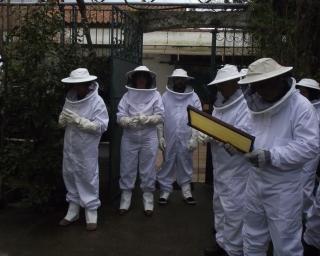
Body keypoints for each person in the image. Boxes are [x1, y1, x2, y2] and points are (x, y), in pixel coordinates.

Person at [238, 58, 320, 256]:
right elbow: (248, 132)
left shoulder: (300, 106)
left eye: (263, 85)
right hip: (255, 181)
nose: (259, 91)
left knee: (285, 245)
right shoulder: (257, 105)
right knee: (252, 237)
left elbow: (309, 146)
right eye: (256, 86)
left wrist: (271, 156)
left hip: (284, 187)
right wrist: (236, 144)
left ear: (278, 80)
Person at [202, 65, 253, 256]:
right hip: (220, 166)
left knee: (234, 210)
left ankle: (232, 250)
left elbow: (244, 136)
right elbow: (215, 126)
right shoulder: (221, 103)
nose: (220, 88)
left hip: (237, 169)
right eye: (219, 84)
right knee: (219, 206)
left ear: (234, 83)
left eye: (224, 84)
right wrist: (206, 133)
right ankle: (221, 244)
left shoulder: (245, 106)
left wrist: (224, 138)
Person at [58, 68, 109, 231]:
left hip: (87, 148)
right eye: (75, 85)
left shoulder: (97, 101)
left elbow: (101, 126)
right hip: (70, 146)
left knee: (88, 176)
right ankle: (73, 210)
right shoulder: (71, 99)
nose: (77, 88)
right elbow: (63, 119)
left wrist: (79, 120)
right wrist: (62, 121)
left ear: (87, 84)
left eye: (80, 85)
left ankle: (91, 210)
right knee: (70, 174)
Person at [117, 65, 164, 216]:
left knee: (148, 167)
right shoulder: (127, 96)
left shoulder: (156, 95)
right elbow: (120, 115)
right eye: (139, 77)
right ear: (135, 79)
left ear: (148, 79)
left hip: (149, 137)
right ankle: (126, 196)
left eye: (144, 77)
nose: (142, 79)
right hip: (130, 136)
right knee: (127, 166)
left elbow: (161, 115)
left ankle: (148, 197)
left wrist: (149, 119)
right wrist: (127, 121)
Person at [157, 68, 202, 205]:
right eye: (177, 79)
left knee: (186, 161)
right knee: (168, 161)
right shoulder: (165, 96)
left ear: (186, 81)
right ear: (173, 81)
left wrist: (195, 138)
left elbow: (198, 118)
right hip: (169, 135)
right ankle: (165, 191)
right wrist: (160, 136)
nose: (179, 81)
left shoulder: (193, 97)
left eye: (182, 79)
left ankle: (186, 191)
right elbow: (160, 117)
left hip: (186, 136)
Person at [296, 78, 320, 218]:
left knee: (305, 183)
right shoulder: (300, 107)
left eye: (303, 91)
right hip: (298, 149)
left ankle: (306, 214)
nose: (300, 93)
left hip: (312, 154)